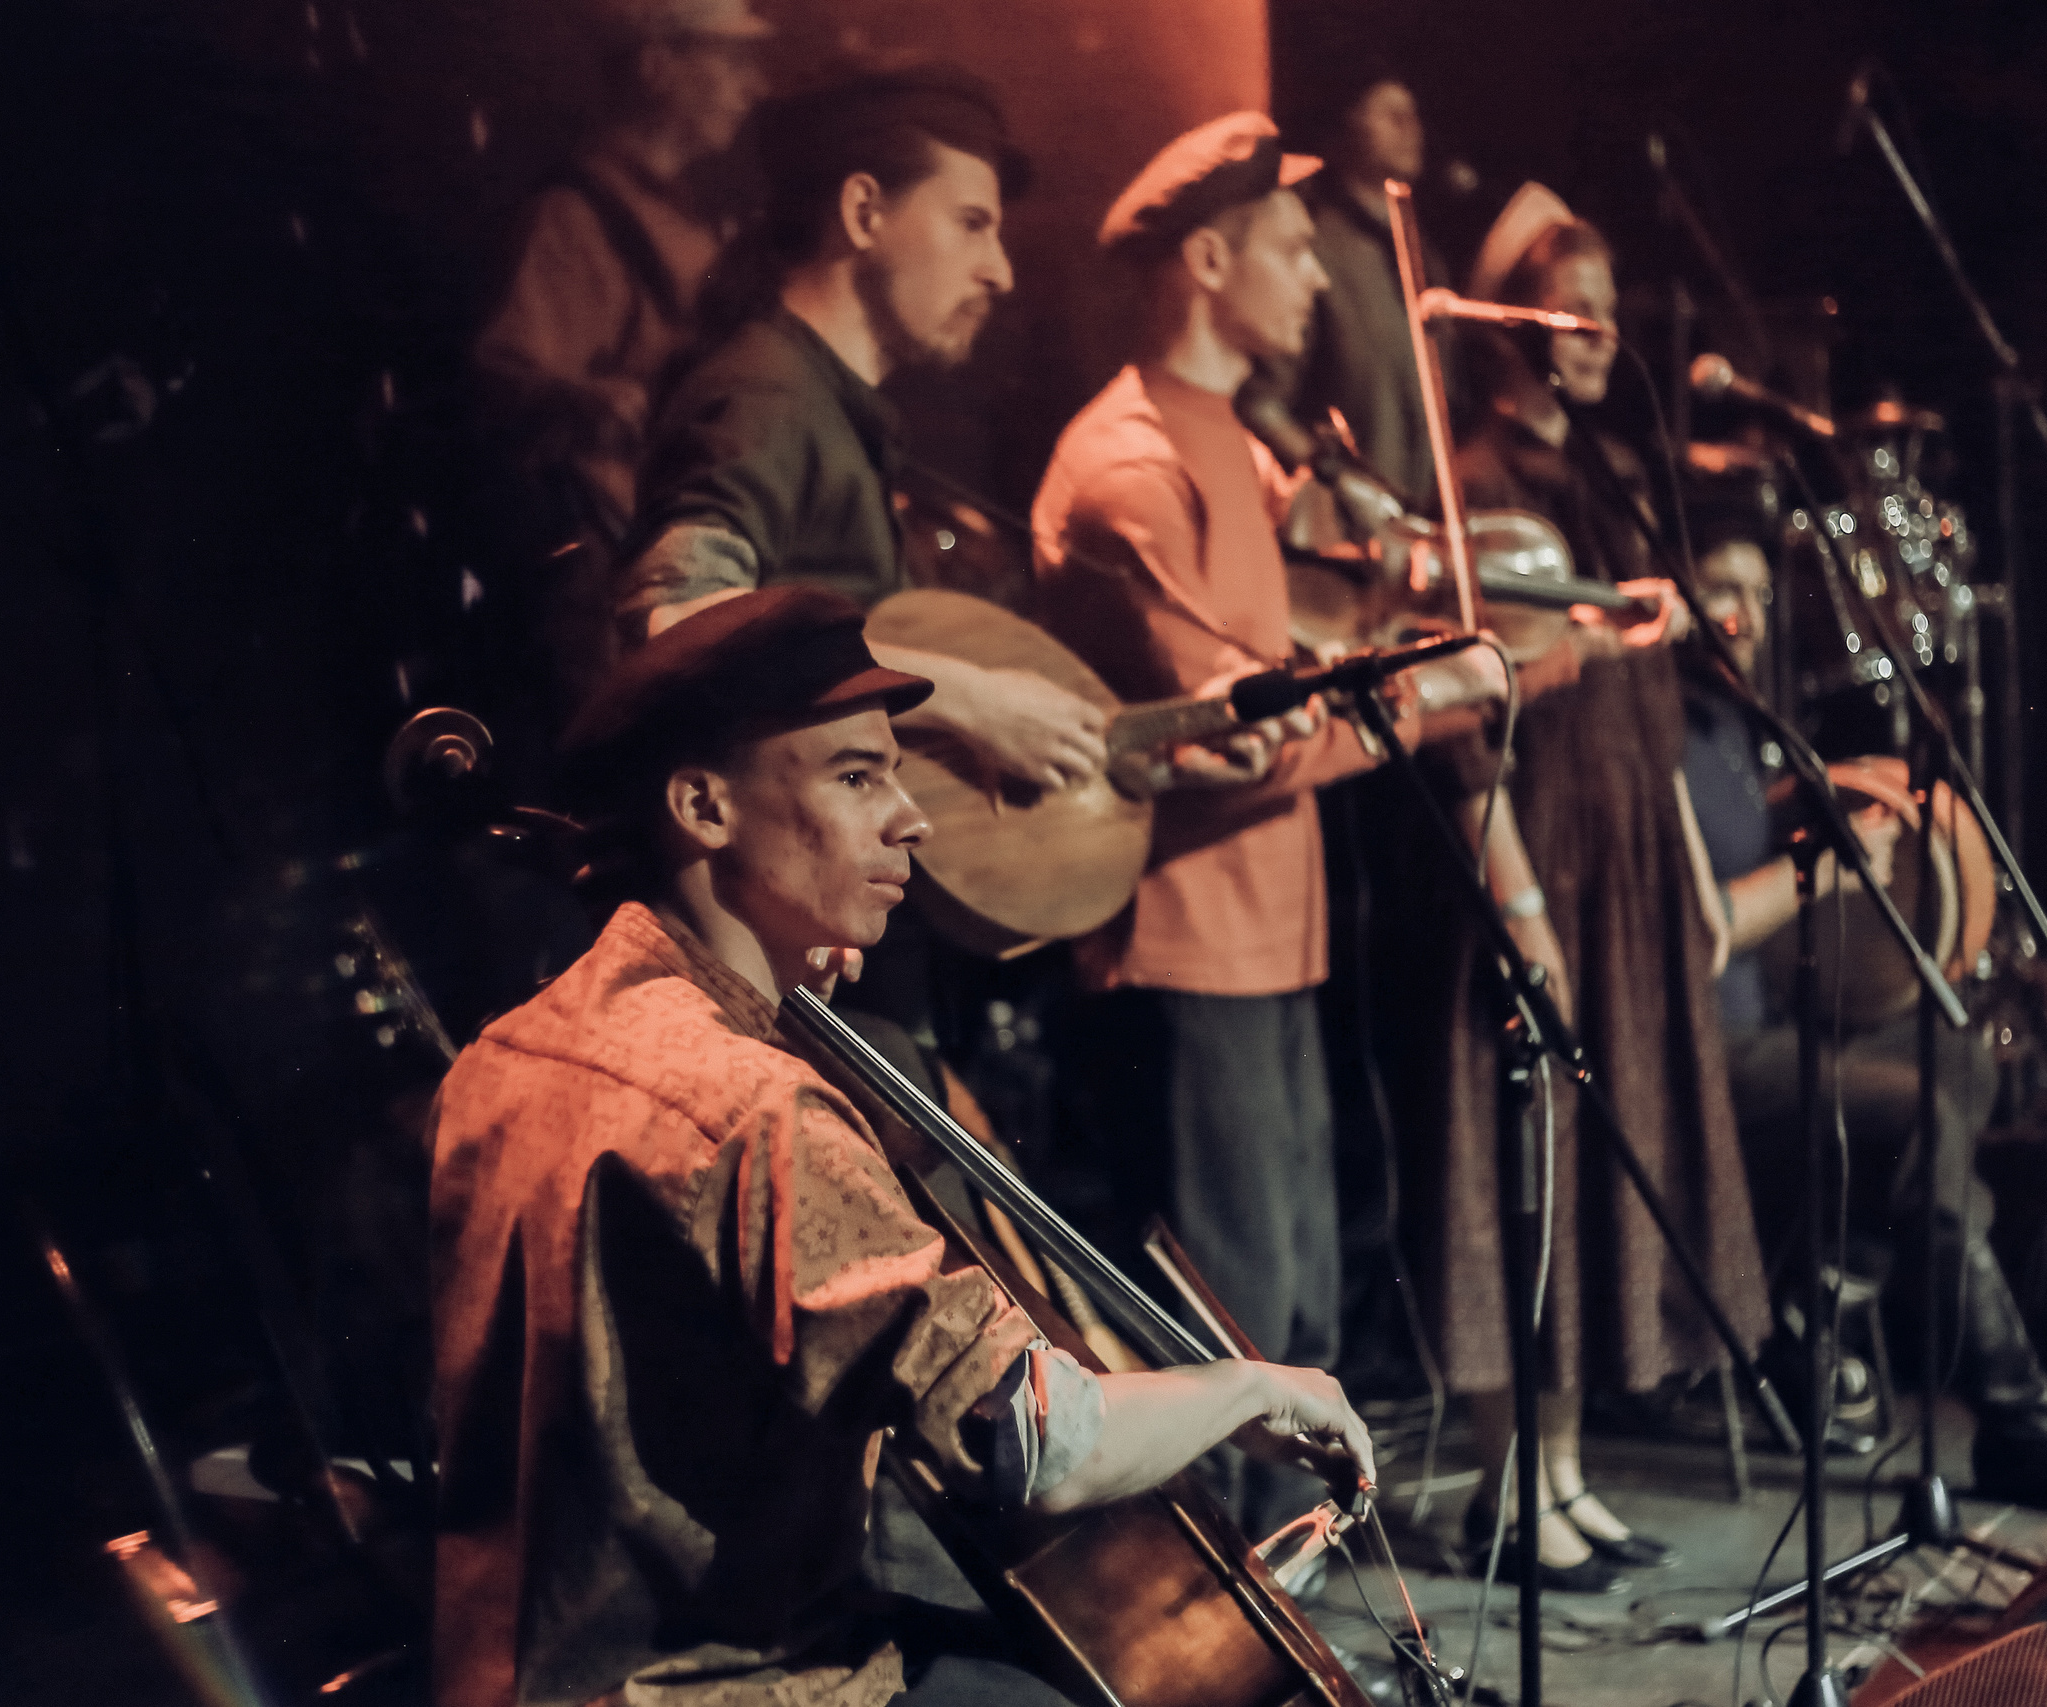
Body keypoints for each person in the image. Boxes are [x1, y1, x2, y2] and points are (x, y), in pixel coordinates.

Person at [427, 585, 1378, 1707]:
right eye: (855, 776)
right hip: (719, 1682)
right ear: (702, 807)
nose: (910, 818)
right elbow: (1043, 1446)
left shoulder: (501, 1057)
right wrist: (1245, 1391)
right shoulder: (758, 1107)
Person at [1029, 112, 1460, 1539]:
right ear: (1209, 261)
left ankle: (1289, 1644)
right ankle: (1213, 1653)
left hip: (1273, 940)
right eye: (1289, 245)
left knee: (1292, 1311)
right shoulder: (1131, 464)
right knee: (1224, 1342)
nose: (1319, 275)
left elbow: (1310, 646)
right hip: (1183, 943)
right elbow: (1225, 751)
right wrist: (1435, 696)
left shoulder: (1241, 442)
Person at [1434, 183, 1773, 1589]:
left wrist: (1695, 865)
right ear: (1515, 325)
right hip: (1547, 858)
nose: (1597, 339)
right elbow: (1464, 717)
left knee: (1607, 1163)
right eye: (1572, 314)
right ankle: (1514, 1484)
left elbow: (1650, 707)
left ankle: (1570, 1471)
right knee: (1533, 1168)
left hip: (1635, 856)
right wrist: (1513, 897)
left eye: (1607, 316)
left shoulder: (1617, 477)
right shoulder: (1478, 484)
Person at [1680, 522, 2047, 1515]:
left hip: (1765, 1026)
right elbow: (1698, 937)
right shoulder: (1660, 736)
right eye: (1717, 587)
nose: (1741, 616)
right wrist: (1824, 871)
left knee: (1956, 1057)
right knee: (1918, 1117)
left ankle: (1826, 1299)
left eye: (1753, 590)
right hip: (1698, 1049)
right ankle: (2019, 1419)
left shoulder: (1732, 726)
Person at [617, 63, 1109, 800]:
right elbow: (682, 617)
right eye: (973, 224)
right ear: (864, 212)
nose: (1000, 272)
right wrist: (971, 698)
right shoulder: (766, 393)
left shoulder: (825, 403)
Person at [473, 0, 772, 551]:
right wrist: (579, 400)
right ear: (657, 67)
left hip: (666, 545)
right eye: (732, 62)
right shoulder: (573, 220)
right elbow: (497, 380)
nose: (755, 87)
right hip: (594, 559)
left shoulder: (695, 225)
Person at [1238, 73, 1449, 510]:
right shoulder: (1314, 250)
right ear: (1345, 126)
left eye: (1412, 114)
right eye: (1391, 115)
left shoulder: (1423, 254)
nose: (1411, 125)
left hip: (1419, 527)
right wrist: (1339, 486)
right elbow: (1263, 402)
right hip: (1347, 531)